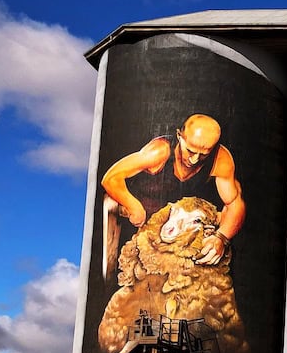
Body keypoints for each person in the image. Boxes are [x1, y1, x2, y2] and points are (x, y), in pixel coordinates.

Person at [101, 113, 245, 265]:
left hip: (179, 224)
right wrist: (133, 206)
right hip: (140, 217)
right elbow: (110, 178)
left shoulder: (220, 160)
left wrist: (221, 237)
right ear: (179, 137)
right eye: (190, 151)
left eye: (203, 154)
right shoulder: (160, 151)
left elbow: (235, 203)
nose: (194, 159)